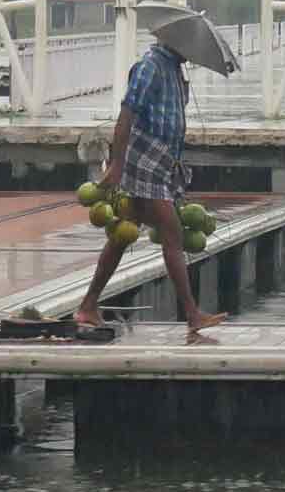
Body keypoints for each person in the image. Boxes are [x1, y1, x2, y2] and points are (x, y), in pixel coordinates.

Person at [74, 36, 226, 342]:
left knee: (121, 236)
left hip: (161, 164)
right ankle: (192, 315)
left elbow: (169, 120)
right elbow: (126, 117)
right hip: (142, 161)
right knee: (173, 234)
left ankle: (88, 306)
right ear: (174, 39)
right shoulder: (150, 67)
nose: (193, 52)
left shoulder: (173, 71)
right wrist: (116, 166)